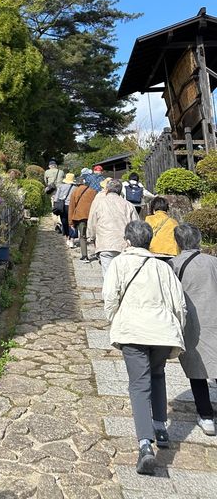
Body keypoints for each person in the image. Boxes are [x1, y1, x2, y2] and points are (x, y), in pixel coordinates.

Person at [103, 220, 187, 475]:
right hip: (162, 331)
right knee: (158, 375)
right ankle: (160, 428)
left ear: (128, 241)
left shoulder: (120, 263)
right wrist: (176, 329)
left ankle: (145, 445)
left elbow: (110, 297)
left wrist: (115, 319)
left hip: (133, 330)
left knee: (139, 384)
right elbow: (179, 304)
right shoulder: (163, 267)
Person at [171, 223, 217, 435]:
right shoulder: (213, 262)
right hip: (214, 318)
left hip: (192, 323)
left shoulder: (174, 265)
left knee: (197, 370)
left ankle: (206, 415)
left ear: (178, 242)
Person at [87, 179, 139, 275]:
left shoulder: (98, 203)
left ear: (107, 190)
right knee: (123, 274)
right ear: (120, 191)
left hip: (105, 243)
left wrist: (91, 237)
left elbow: (92, 222)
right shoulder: (128, 205)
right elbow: (136, 226)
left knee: (108, 275)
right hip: (124, 245)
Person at [68, 174, 96, 260]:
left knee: (82, 236)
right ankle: (98, 253)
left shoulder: (75, 192)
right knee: (95, 235)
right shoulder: (93, 191)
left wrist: (70, 222)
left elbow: (71, 207)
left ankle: (85, 256)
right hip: (92, 215)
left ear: (77, 183)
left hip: (80, 216)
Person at [53, 172, 76, 239]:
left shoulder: (61, 186)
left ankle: (66, 235)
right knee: (71, 221)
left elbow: (56, 197)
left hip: (62, 206)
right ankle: (71, 235)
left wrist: (55, 204)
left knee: (64, 220)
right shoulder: (75, 188)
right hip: (71, 206)